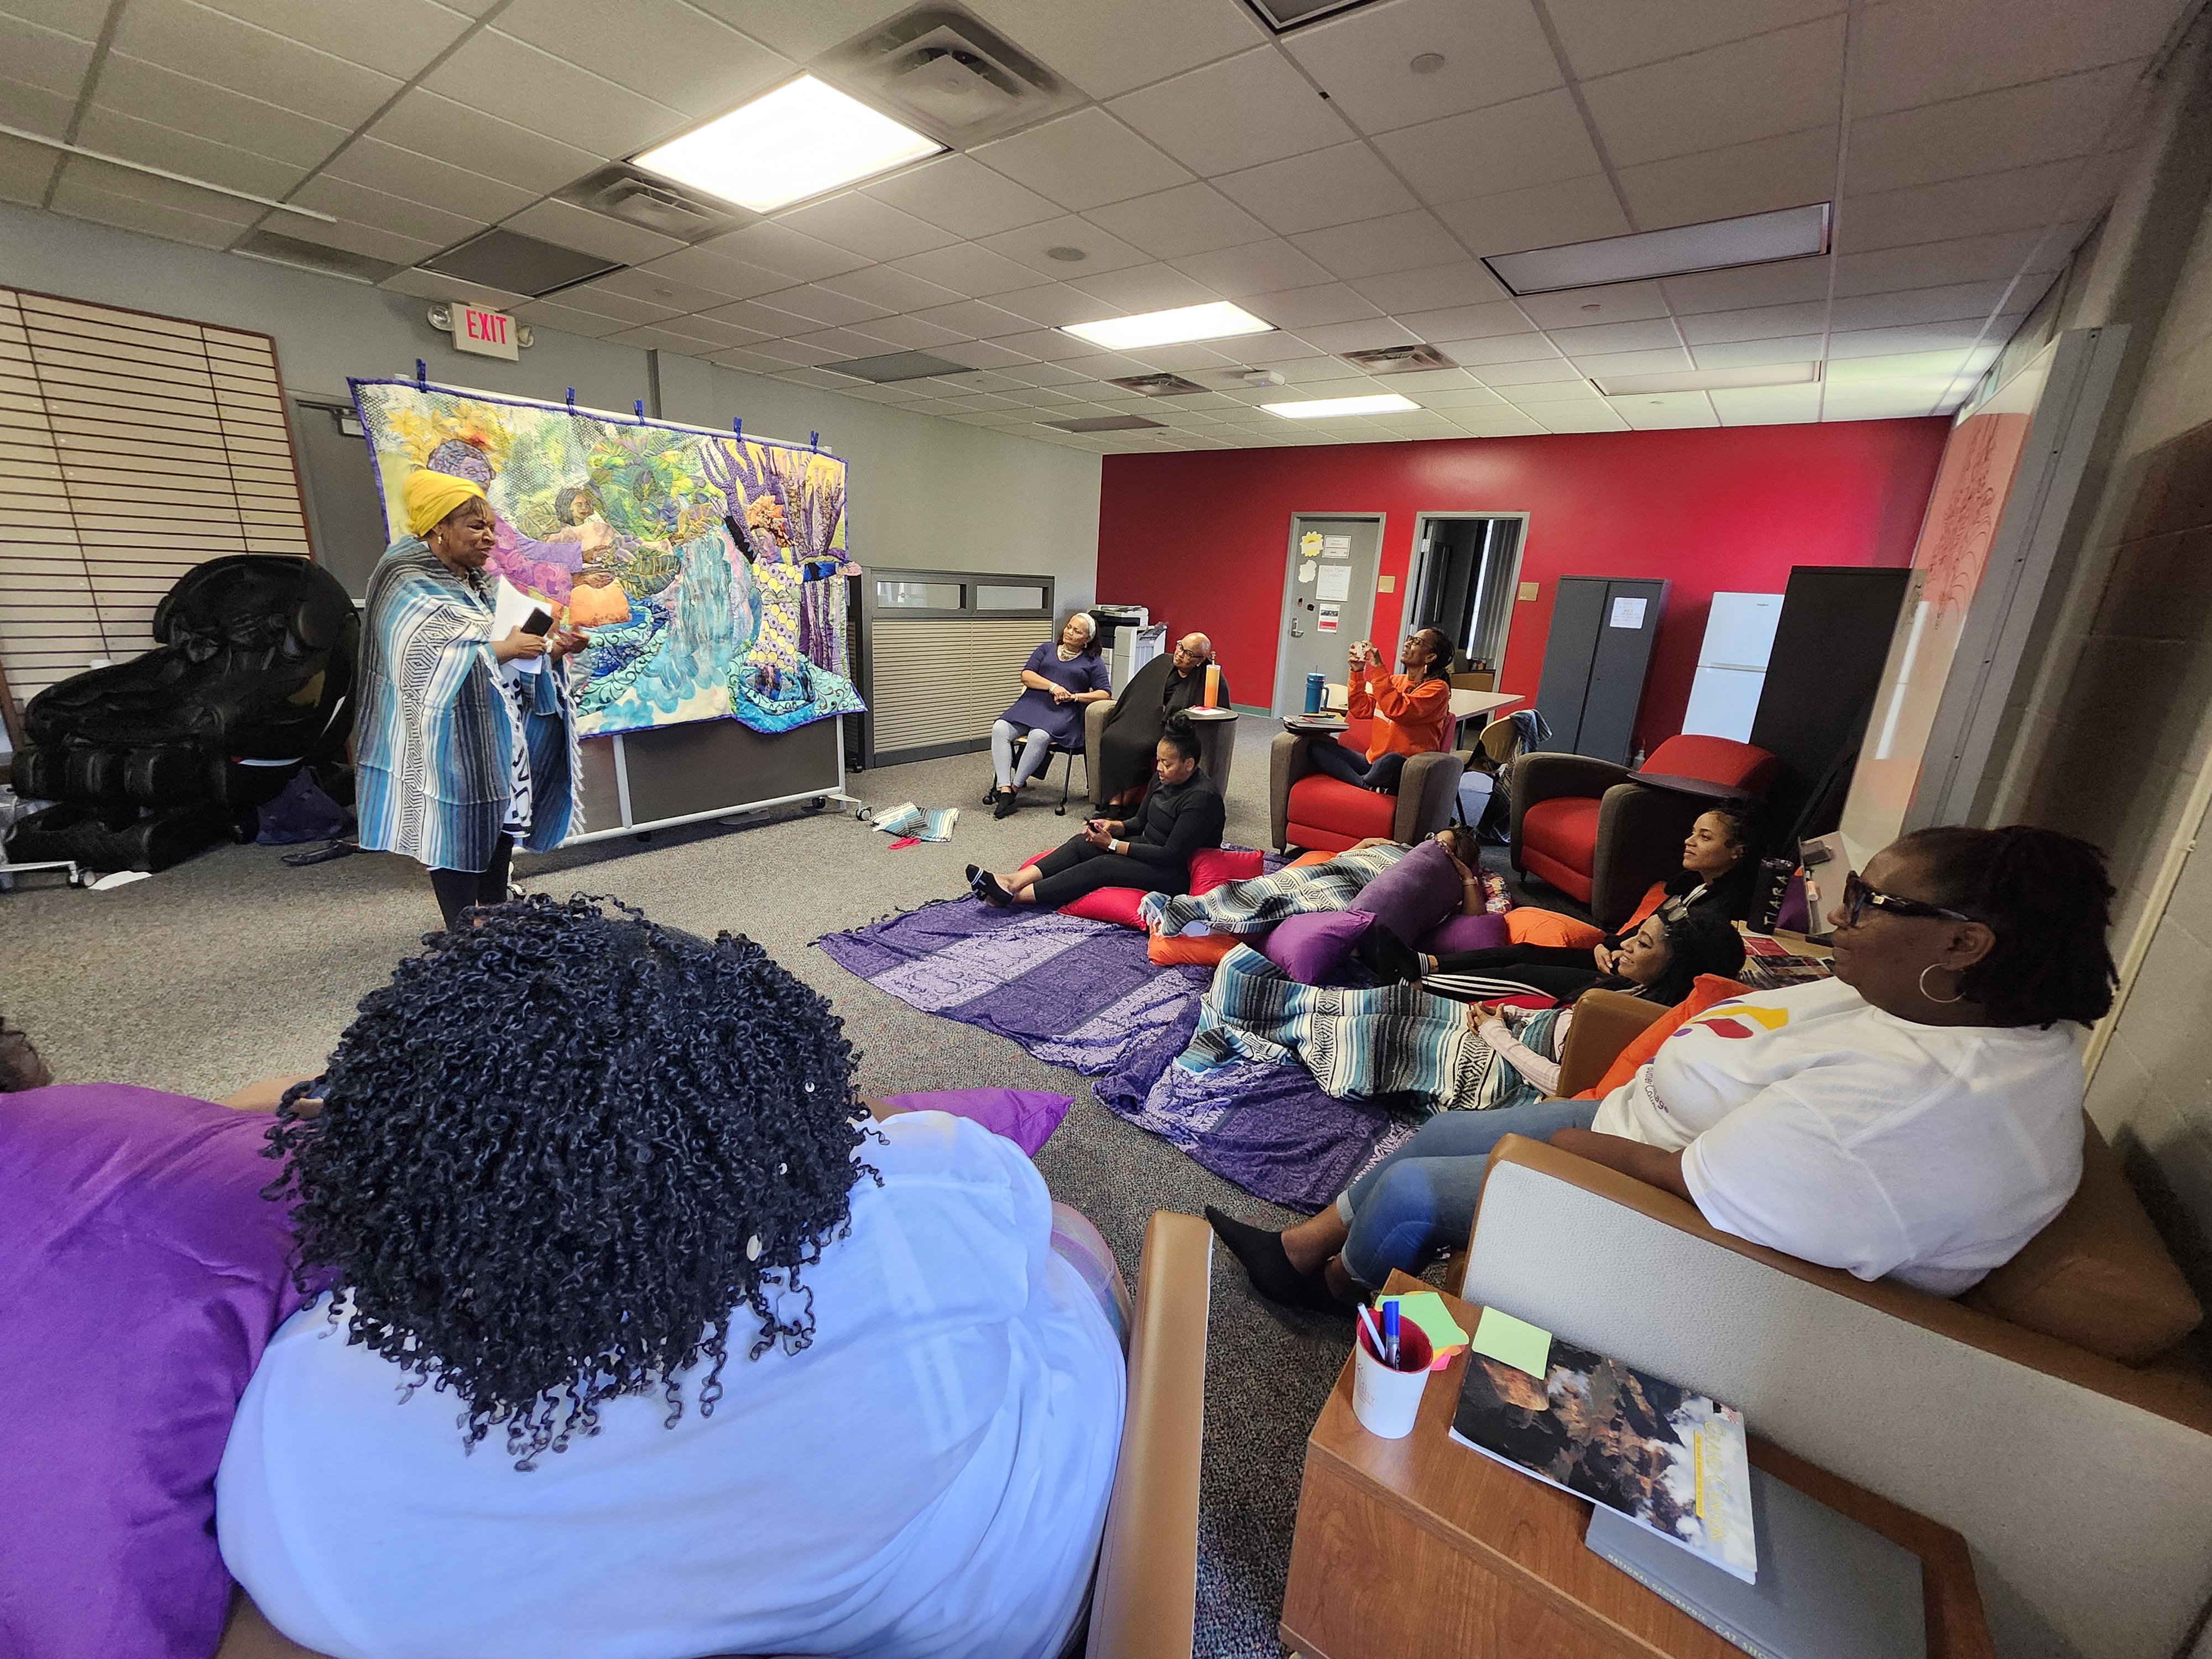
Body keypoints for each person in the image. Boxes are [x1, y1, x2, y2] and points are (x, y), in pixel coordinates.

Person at [218, 897, 1126, 1659]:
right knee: (1072, 1238)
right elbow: (1007, 1219)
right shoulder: (916, 1194)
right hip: (1026, 1587)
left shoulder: (311, 1422)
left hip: (913, 1594)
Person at [1204, 825, 2115, 1312]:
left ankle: (1340, 1289)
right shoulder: (1923, 1005)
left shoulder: (1913, 1109)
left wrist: (1555, 1146)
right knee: (1442, 1132)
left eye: (1870, 901)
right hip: (1642, 1125)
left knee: (1413, 1193)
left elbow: (1702, 1196)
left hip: (1664, 1212)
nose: (1841, 917)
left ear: (1963, 943)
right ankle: (1302, 1251)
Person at [1183, 906, 1745, 1116]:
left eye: (1643, 944)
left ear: (1675, 969)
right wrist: (1504, 1016)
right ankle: (1258, 998)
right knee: (1396, 1000)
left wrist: (1499, 1034)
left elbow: (1566, 1086)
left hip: (1507, 1074)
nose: (1627, 947)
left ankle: (1260, 1018)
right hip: (1513, 1032)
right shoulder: (1624, 992)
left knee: (1378, 1034)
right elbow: (1556, 1025)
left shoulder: (1635, 1025)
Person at [356, 469, 589, 931]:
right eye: (475, 526)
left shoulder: (477, 581)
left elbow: (505, 647)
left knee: (499, 812)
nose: (489, 538)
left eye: (491, 528)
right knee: (453, 825)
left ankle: (495, 915)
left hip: (493, 726)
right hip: (442, 733)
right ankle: (463, 931)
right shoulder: (403, 577)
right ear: (439, 527)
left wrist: (553, 649)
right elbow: (423, 657)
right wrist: (506, 648)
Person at [1359, 804, 1761, 1001]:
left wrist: (1620, 955)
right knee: (1526, 950)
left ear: (1737, 852)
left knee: (1524, 973)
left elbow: (1673, 960)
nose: (1689, 842)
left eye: (1705, 837)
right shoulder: (1693, 885)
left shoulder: (1725, 911)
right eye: (1693, 832)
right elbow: (1648, 928)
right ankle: (1425, 962)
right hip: (1620, 955)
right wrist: (1611, 944)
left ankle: (1416, 983)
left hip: (1633, 977)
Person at [970, 713, 1225, 909]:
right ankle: (1011, 881)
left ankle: (1014, 898)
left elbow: (1171, 855)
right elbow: (1140, 822)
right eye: (1158, 760)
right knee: (1082, 843)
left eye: (1166, 764)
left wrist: (1113, 845)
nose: (1159, 768)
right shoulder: (1162, 779)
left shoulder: (1201, 799)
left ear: (1189, 764)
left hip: (1176, 872)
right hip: (1149, 847)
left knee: (1102, 866)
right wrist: (1112, 827)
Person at [987, 612, 1113, 818]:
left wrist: (1075, 696)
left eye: (1077, 631)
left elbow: (1105, 693)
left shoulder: (1093, 661)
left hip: (1064, 711)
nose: (1069, 632)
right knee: (1000, 728)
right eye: (1069, 627)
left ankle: (1015, 787)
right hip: (1032, 704)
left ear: (1087, 639)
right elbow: (1026, 675)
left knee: (1040, 736)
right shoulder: (1046, 649)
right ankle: (1004, 788)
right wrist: (1053, 687)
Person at [1304, 627, 1453, 794]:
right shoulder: (1395, 681)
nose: (1407, 644)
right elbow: (1361, 708)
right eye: (1410, 639)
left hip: (1404, 768)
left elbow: (1398, 710)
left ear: (1430, 657)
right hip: (1373, 762)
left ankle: (1363, 780)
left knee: (1392, 759)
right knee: (1316, 748)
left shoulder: (1438, 689)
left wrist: (1378, 668)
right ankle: (1366, 785)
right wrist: (1357, 671)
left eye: (1416, 642)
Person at [1095, 632, 1227, 806]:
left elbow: (1218, 712)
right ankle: (1113, 801)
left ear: (1200, 661)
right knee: (1110, 738)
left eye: (1188, 653)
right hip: (1143, 719)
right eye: (1180, 646)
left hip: (1169, 728)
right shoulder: (1162, 663)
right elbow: (1136, 692)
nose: (1179, 654)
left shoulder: (1210, 675)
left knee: (1139, 748)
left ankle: (1120, 805)